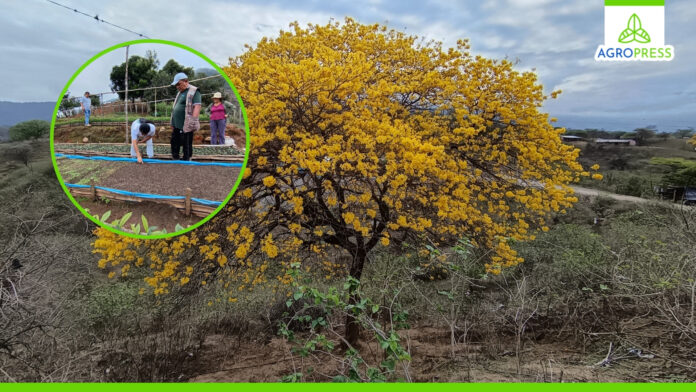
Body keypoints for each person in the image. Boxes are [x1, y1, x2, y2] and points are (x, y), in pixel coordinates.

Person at [170, 73, 201, 161]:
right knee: (174, 141)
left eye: (178, 84)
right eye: (176, 85)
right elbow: (175, 106)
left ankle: (187, 158)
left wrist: (193, 121)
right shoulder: (180, 92)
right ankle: (175, 157)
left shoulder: (194, 91)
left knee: (186, 141)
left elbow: (197, 106)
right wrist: (172, 122)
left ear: (186, 81)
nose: (177, 87)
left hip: (186, 122)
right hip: (176, 123)